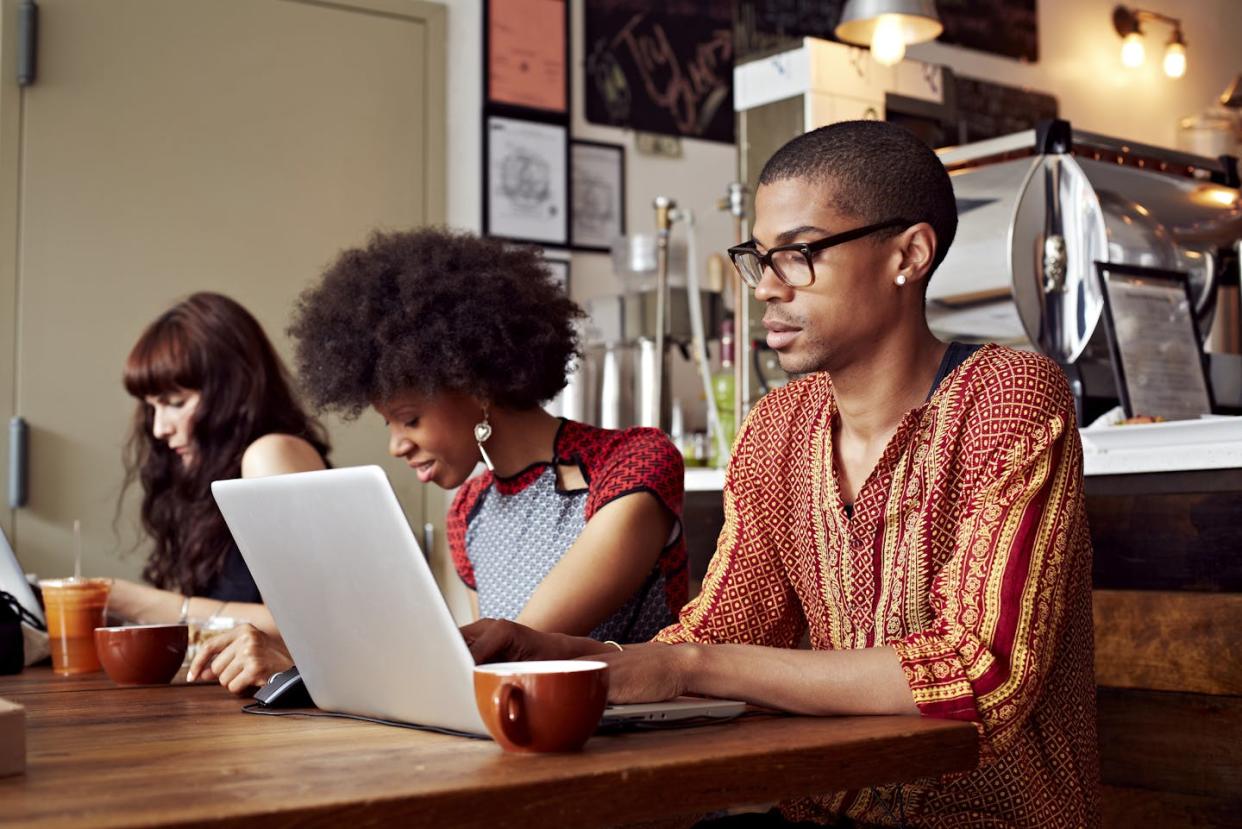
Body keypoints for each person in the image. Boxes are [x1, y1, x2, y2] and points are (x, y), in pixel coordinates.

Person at [462, 121, 1099, 828]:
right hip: (818, 813)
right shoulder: (779, 427)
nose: (765, 288)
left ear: (908, 255)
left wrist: (693, 666)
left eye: (798, 255)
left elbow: (980, 675)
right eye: (758, 258)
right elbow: (720, 629)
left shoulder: (1010, 398)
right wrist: (561, 656)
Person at [190, 229, 688, 691]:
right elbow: (480, 678)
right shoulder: (469, 510)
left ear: (474, 384)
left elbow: (510, 650)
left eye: (409, 419)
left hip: (632, 747)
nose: (396, 445)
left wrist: (299, 668)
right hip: (522, 741)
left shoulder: (632, 464)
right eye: (388, 424)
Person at [107, 292, 330, 636]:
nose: (159, 428)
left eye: (176, 402)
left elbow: (311, 626)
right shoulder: (204, 479)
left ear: (233, 390)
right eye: (152, 407)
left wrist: (133, 602)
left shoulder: (270, 455)